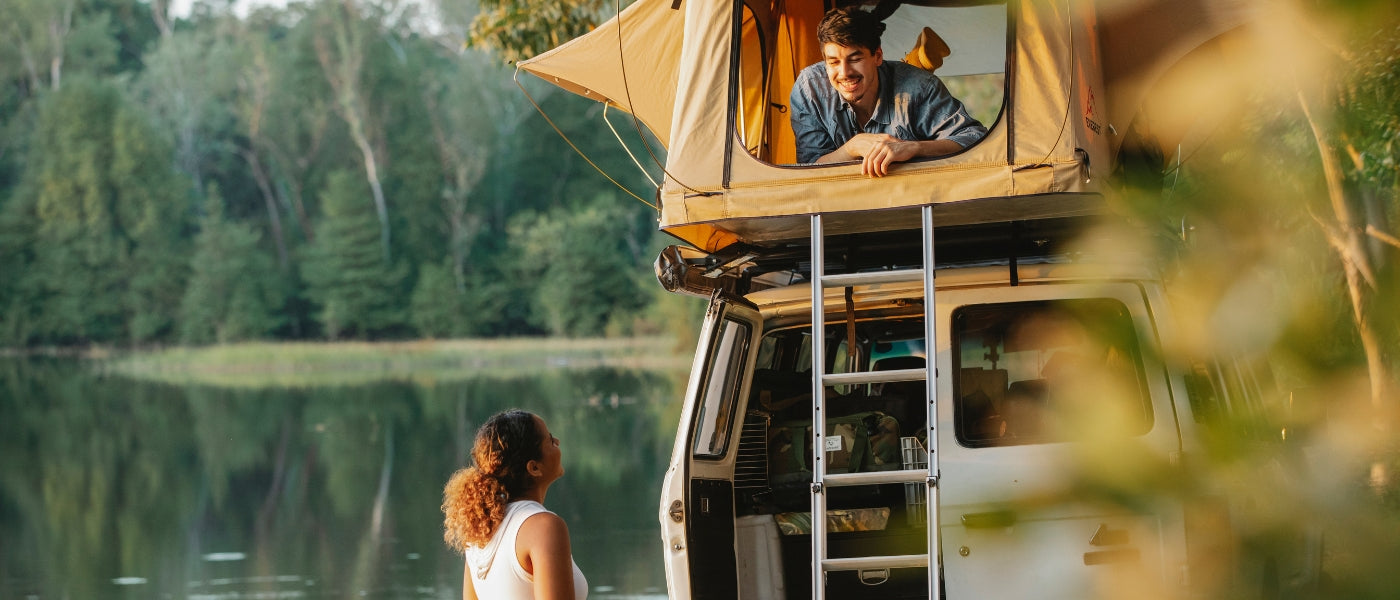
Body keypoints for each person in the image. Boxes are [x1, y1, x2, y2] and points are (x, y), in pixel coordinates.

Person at [790, 7, 987, 176]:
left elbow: (974, 137)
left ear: (877, 56)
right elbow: (808, 169)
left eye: (855, 59)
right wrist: (852, 147)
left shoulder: (920, 86)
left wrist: (914, 147)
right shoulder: (809, 89)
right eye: (833, 62)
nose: (844, 73)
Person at [443, 409, 587, 600]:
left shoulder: (480, 531)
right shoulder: (544, 527)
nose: (558, 442)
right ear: (534, 467)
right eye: (550, 440)